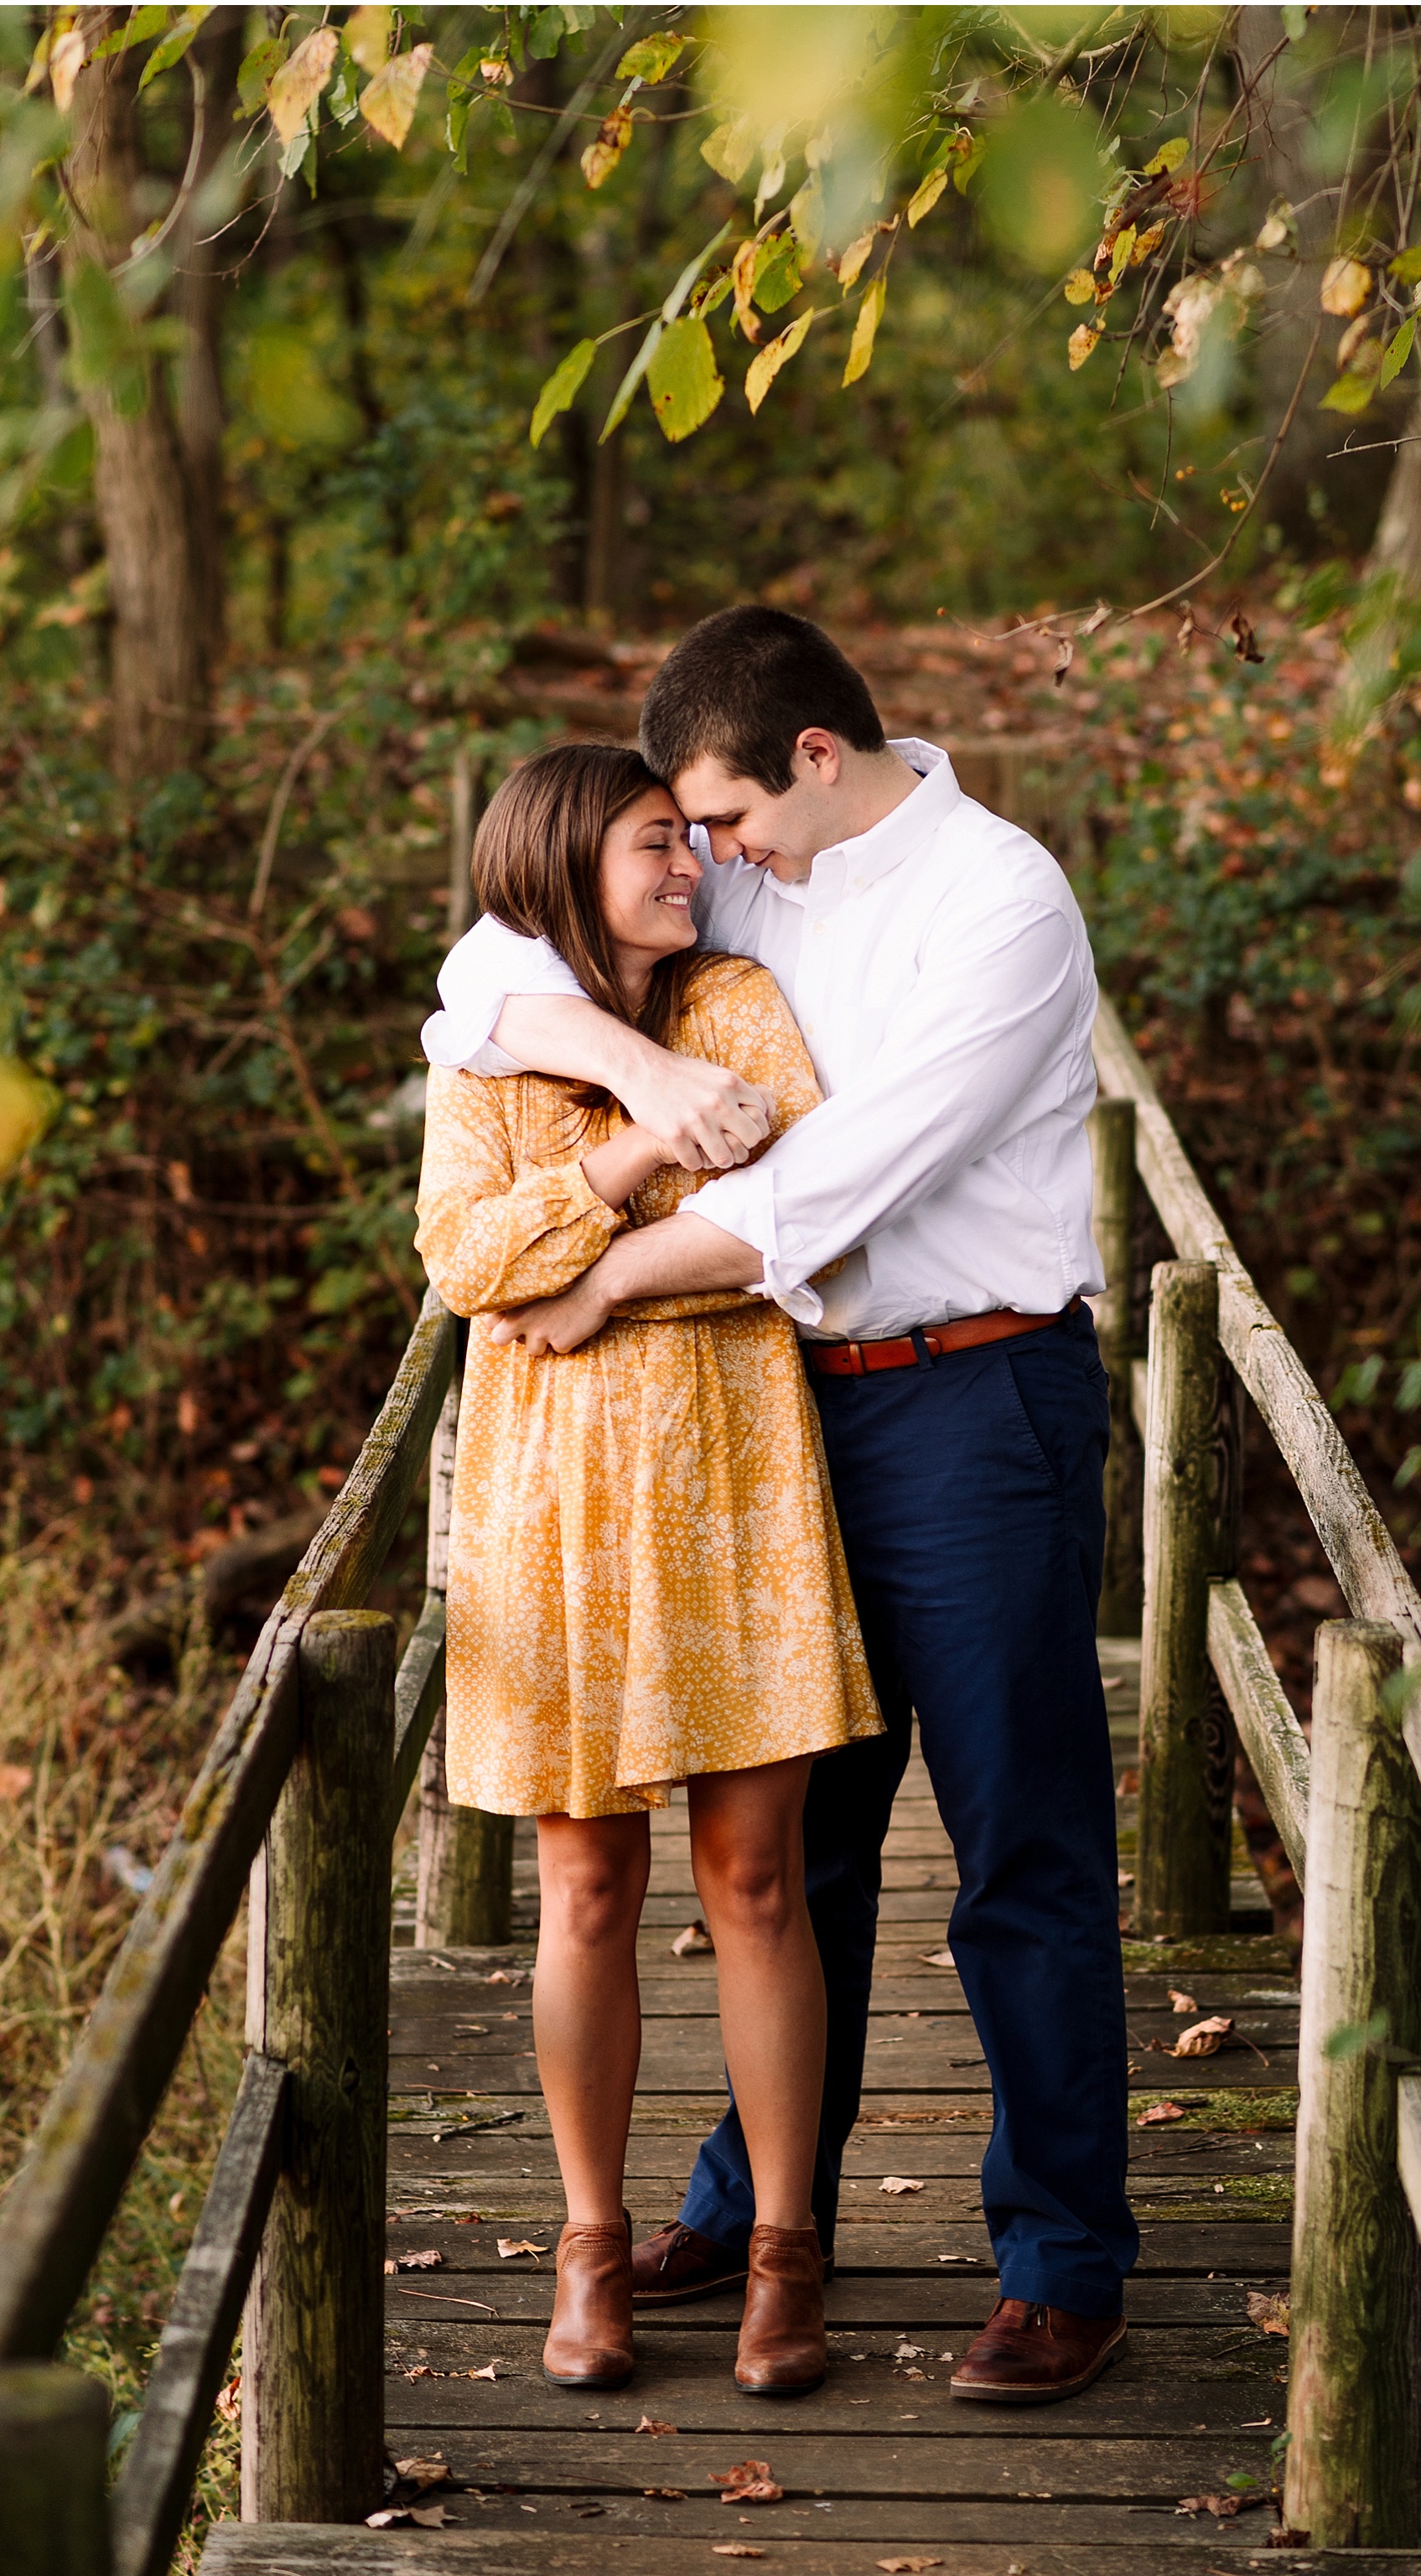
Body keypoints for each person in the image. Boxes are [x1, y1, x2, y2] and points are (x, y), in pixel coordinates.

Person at [424, 608, 1140, 2405]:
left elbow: (835, 1178)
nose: (708, 857)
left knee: (1017, 1850)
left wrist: (592, 1285)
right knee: (792, 1847)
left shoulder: (1001, 904)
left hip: (971, 1398)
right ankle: (757, 2215)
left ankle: (1061, 2261)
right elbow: (488, 969)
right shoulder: (756, 873)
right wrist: (651, 1077)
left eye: (720, 819)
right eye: (688, 832)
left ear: (810, 762)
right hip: (774, 1415)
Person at [413, 741, 882, 2400]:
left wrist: (593, 1276)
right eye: (649, 843)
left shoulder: (736, 1003)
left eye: (689, 836)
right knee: (587, 1888)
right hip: (553, 1516)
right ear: (560, 863)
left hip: (734, 1484)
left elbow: (792, 1210)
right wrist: (626, 1167)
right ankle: (593, 2244)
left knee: (755, 1884)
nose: (689, 863)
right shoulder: (491, 1064)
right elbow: (467, 1265)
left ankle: (779, 2249)